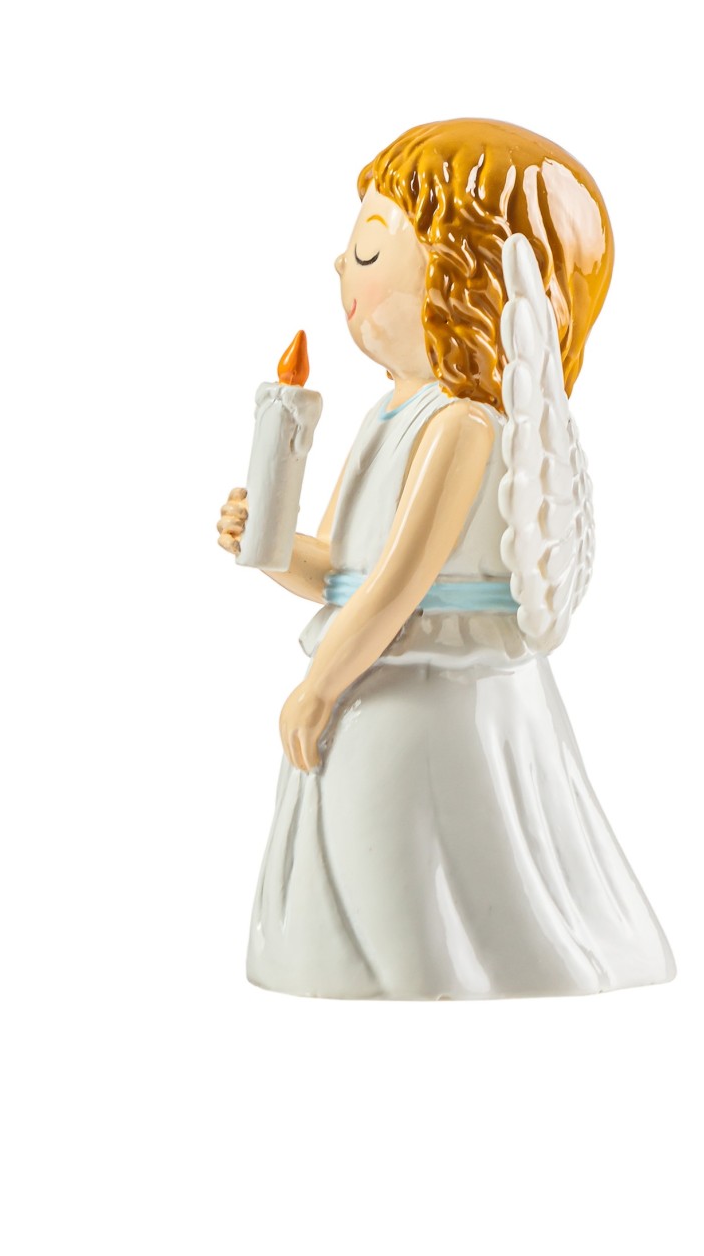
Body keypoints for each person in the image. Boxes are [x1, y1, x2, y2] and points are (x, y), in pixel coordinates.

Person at [217, 118, 675, 999]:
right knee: (352, 890)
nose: (340, 268)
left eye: (368, 251)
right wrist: (267, 546)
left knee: (408, 893)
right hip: (367, 676)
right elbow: (343, 571)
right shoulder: (387, 414)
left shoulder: (461, 426)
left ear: (458, 272)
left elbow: (400, 585)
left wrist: (321, 686)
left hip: (429, 692)